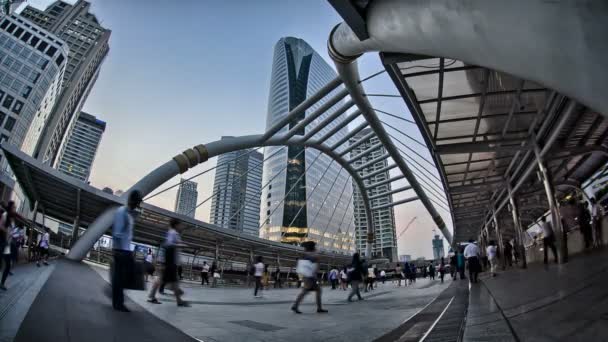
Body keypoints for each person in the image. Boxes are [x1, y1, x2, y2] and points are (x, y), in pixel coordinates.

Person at [111, 190, 142, 312]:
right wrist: (117, 251)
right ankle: (118, 303)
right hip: (121, 251)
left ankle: (117, 299)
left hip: (125, 250)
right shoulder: (122, 212)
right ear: (132, 200)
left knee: (125, 276)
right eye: (137, 202)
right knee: (121, 277)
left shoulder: (129, 214)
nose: (137, 205)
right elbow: (117, 233)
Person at [147, 218, 189, 307]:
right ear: (176, 225)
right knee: (170, 281)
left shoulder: (174, 233)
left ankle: (153, 296)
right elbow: (169, 244)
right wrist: (180, 245)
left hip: (171, 262)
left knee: (167, 280)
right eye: (180, 224)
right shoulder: (173, 232)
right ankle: (178, 300)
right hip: (170, 262)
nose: (182, 226)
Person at [291, 241, 327, 313]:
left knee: (315, 290)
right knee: (307, 291)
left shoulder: (305, 253)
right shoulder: (313, 254)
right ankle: (295, 305)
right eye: (315, 246)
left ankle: (318, 308)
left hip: (306, 275)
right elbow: (316, 265)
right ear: (313, 247)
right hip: (310, 276)